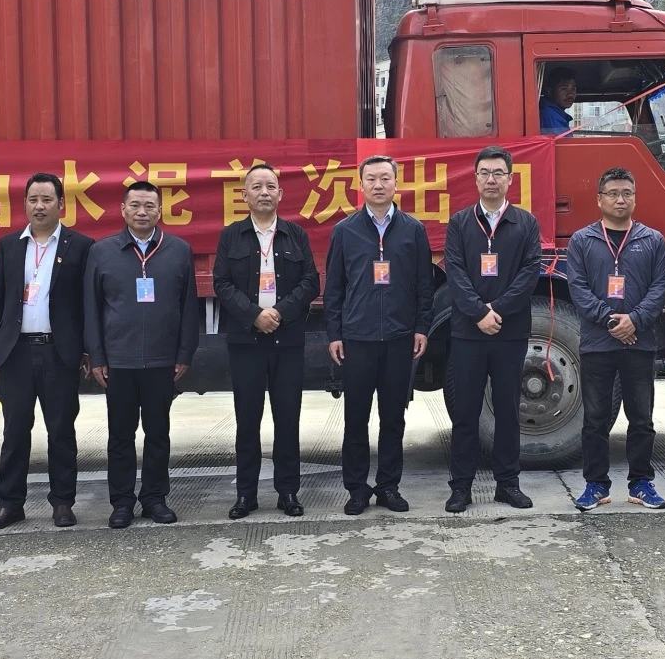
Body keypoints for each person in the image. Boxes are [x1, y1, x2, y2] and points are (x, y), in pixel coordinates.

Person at [0, 173, 95, 532]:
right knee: (15, 432)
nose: (39, 206)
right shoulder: (9, 245)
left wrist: (88, 349)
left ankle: (62, 502)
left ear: (61, 204)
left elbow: (88, 304)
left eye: (47, 199)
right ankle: (10, 505)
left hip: (59, 352)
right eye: (33, 199)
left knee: (61, 431)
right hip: (15, 352)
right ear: (25, 204)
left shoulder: (81, 246)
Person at [84, 180, 199, 529]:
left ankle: (154, 499)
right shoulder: (102, 252)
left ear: (160, 211)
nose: (142, 212)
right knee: (120, 436)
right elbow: (91, 309)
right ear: (122, 210)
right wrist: (97, 356)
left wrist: (184, 352)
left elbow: (188, 306)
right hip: (118, 360)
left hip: (162, 360)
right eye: (135, 205)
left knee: (158, 434)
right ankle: (121, 502)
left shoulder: (178, 250)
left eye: (149, 206)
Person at [325, 155, 435, 516]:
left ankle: (389, 486)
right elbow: (334, 287)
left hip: (400, 339)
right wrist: (335, 333)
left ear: (396, 184)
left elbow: (424, 284)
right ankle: (357, 489)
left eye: (385, 178)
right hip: (357, 339)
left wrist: (421, 327)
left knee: (393, 419)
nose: (378, 184)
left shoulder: (412, 229)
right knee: (356, 419)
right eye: (371, 178)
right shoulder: (345, 231)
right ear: (360, 185)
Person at [212, 164, 320, 520]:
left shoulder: (295, 234)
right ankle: (246, 495)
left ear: (280, 194)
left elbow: (311, 281)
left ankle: (288, 492)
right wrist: (254, 315)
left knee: (287, 419)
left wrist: (280, 313)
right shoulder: (231, 235)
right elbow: (221, 283)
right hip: (246, 342)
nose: (264, 192)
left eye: (270, 186)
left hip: (287, 341)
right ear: (244, 195)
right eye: (256, 187)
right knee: (247, 420)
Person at [565, 167, 665, 512]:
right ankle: (596, 485)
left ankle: (641, 483)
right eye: (612, 193)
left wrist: (635, 320)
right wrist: (610, 319)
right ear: (599, 199)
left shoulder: (651, 240)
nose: (620, 199)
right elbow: (577, 287)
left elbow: (660, 286)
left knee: (641, 418)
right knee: (595, 419)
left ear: (635, 198)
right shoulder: (582, 240)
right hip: (598, 343)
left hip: (639, 342)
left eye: (626, 193)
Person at [443, 145, 542, 513]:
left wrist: (496, 310)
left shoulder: (526, 223)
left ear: (510, 179)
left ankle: (508, 484)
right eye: (484, 172)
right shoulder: (460, 223)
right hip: (468, 333)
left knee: (507, 411)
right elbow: (455, 272)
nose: (491, 179)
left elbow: (529, 273)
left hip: (509, 332)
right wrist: (478, 313)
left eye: (498, 173)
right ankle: (461, 487)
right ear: (475, 178)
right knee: (466, 413)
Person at [538, 67, 576, 134]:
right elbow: (564, 140)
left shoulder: (554, 114)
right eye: (564, 88)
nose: (570, 94)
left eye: (573, 89)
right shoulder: (550, 116)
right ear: (549, 91)